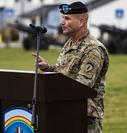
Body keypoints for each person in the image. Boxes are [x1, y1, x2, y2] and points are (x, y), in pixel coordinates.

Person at [33, 2, 109, 133]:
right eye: (62, 18)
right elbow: (64, 72)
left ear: (81, 21)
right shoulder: (70, 43)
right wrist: (48, 68)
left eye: (67, 18)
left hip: (85, 117)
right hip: (66, 110)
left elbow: (81, 86)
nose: (62, 22)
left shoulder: (93, 49)